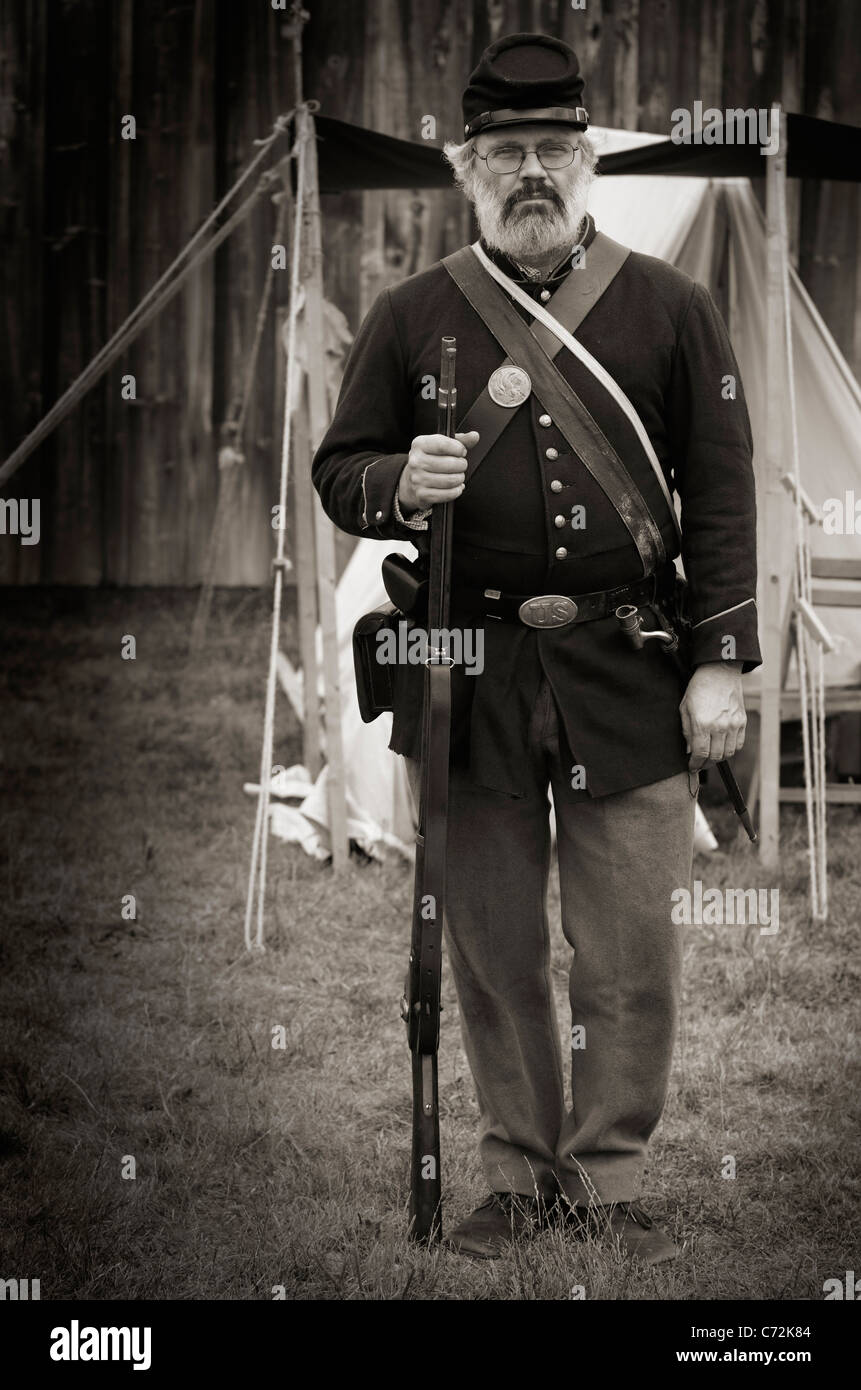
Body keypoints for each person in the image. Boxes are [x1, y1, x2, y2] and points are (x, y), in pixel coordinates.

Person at [312, 31, 761, 1265]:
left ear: (587, 162)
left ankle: (607, 1175)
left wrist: (721, 659)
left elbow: (722, 491)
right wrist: (400, 477)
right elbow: (336, 471)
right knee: (495, 940)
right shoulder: (414, 317)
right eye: (505, 152)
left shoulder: (673, 307)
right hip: (473, 666)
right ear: (468, 169)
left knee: (632, 943)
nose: (531, 173)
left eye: (553, 150)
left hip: (629, 660)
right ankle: (517, 1171)